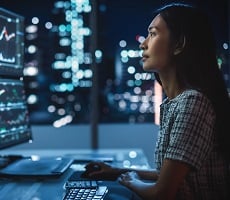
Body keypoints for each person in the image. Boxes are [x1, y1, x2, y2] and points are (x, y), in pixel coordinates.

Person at [83, 3, 230, 200]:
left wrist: (130, 181)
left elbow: (162, 193)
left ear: (179, 44)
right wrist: (116, 171)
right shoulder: (176, 102)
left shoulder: (193, 102)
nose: (143, 43)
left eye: (153, 34)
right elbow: (168, 177)